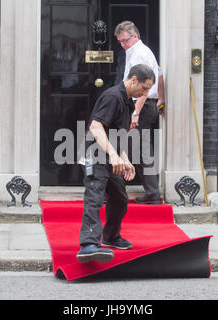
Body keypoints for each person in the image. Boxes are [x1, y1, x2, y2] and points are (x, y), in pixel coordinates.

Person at [76, 64, 156, 263]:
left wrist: (125, 160)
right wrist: (114, 156)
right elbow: (95, 126)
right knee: (95, 195)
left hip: (109, 154)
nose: (145, 93)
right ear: (133, 79)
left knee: (120, 198)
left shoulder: (128, 102)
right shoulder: (112, 97)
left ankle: (110, 237)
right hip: (94, 153)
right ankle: (88, 245)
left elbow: (117, 135)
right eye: (145, 88)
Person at [114, 21, 165, 205]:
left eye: (125, 40)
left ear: (135, 35)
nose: (122, 45)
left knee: (123, 147)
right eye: (120, 41)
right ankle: (151, 193)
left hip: (140, 106)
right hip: (147, 105)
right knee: (141, 150)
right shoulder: (141, 51)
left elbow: (143, 86)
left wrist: (135, 112)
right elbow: (158, 74)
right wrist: (161, 99)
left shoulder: (139, 53)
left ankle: (116, 194)